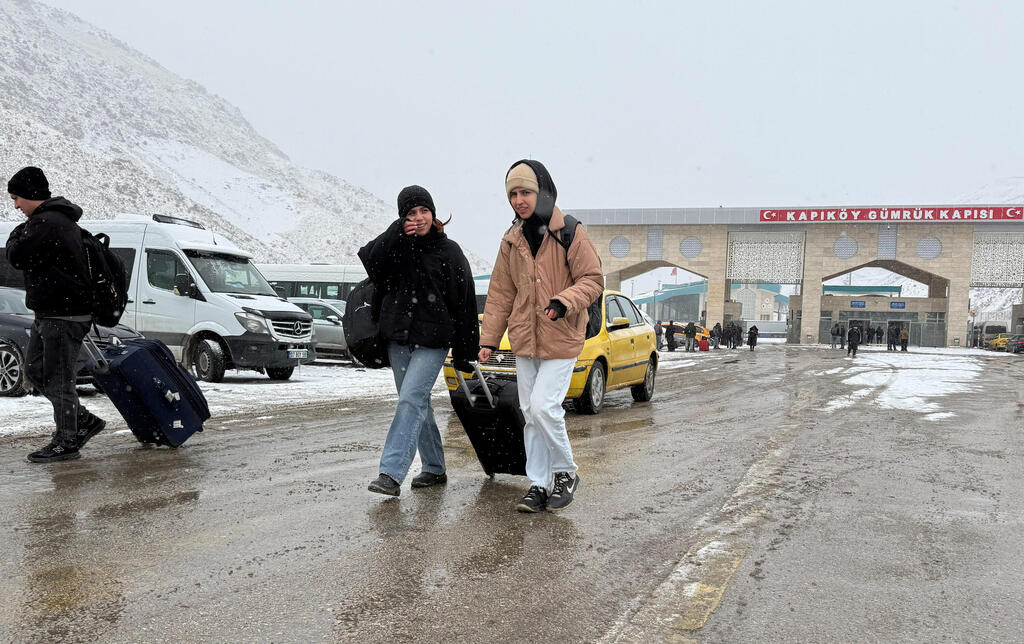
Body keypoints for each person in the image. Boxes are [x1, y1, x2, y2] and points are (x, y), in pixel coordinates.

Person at [480, 160, 603, 513]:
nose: (519, 200)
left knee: (544, 407)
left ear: (543, 191)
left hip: (561, 335)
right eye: (513, 194)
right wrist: (489, 340)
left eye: (526, 192)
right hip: (524, 337)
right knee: (529, 413)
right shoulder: (511, 239)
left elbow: (593, 280)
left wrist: (564, 301)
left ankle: (565, 472)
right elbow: (501, 293)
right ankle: (539, 483)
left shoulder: (569, 232)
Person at [358, 185, 479, 497]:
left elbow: (464, 303)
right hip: (397, 337)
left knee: (410, 398)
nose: (419, 217)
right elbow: (371, 261)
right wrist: (397, 232)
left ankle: (390, 473)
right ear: (402, 218)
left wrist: (467, 351)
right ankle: (435, 467)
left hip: (433, 339)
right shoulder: (396, 248)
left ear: (434, 214)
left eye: (424, 211)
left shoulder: (449, 251)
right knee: (418, 402)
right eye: (411, 213)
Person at [6, 167, 106, 463]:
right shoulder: (52, 221)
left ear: (32, 195)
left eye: (17, 198)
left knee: (59, 378)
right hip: (50, 314)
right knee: (36, 371)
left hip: (63, 317)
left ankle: (67, 441)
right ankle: (82, 421)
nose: (16, 206)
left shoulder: (48, 223)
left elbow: (16, 256)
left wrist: (15, 235)